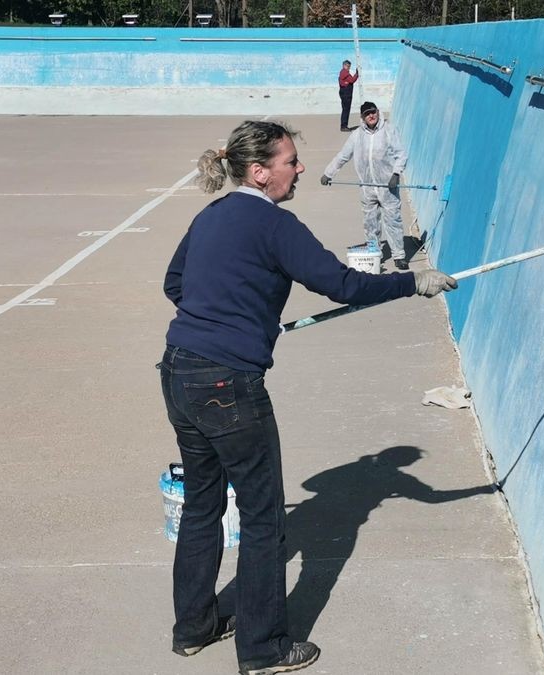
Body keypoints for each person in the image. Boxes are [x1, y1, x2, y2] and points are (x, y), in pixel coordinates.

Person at [160, 120, 456, 675]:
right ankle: (264, 648)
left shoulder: (212, 215)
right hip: (228, 385)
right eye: (290, 161)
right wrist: (411, 281)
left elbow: (175, 285)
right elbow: (344, 285)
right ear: (260, 171)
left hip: (179, 371)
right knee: (264, 516)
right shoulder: (275, 225)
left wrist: (235, 312)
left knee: (204, 504)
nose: (298, 170)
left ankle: (193, 627)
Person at [319, 101, 410, 270]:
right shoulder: (356, 135)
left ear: (377, 111)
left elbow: (401, 155)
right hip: (367, 187)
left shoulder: (389, 130)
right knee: (370, 223)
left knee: (393, 221)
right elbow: (343, 156)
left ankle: (399, 256)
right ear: (362, 117)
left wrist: (396, 174)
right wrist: (328, 173)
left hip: (387, 186)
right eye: (367, 114)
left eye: (373, 112)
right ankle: (375, 254)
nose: (371, 116)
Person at [337, 60, 359, 131]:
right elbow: (352, 80)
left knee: (345, 109)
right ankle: (344, 126)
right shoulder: (344, 73)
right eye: (348, 66)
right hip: (346, 94)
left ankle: (344, 125)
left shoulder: (343, 72)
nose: (349, 68)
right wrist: (357, 74)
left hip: (344, 93)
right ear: (344, 65)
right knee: (346, 110)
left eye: (349, 66)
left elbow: (348, 81)